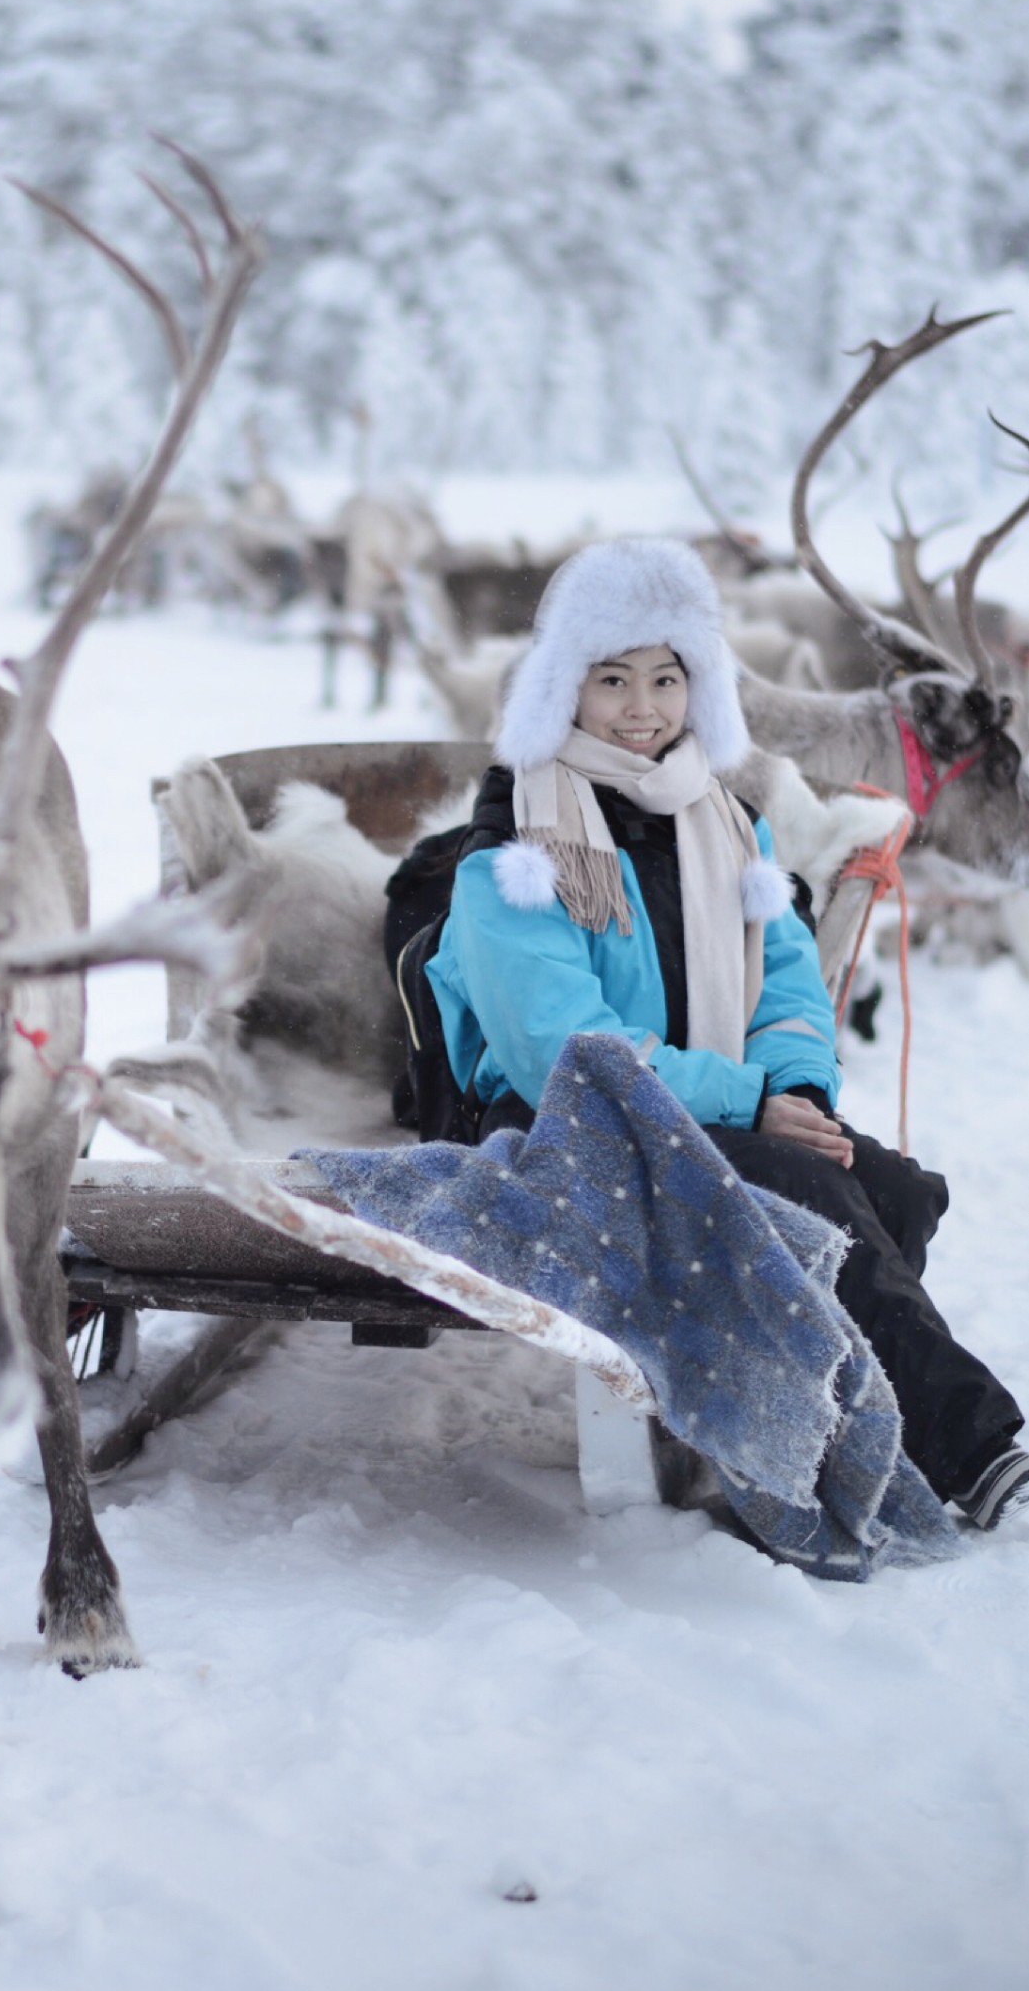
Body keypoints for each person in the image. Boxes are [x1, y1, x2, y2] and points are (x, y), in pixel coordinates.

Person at [426, 536, 1029, 1532]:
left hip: (702, 1112)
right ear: (562, 688)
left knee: (895, 1190)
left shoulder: (726, 822)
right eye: (611, 678)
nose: (642, 706)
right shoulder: (515, 853)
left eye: (666, 677)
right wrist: (751, 1103)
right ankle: (977, 1451)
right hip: (564, 1130)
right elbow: (566, 1049)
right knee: (812, 1194)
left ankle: (813, 1409)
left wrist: (798, 1089)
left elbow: (786, 981)